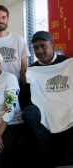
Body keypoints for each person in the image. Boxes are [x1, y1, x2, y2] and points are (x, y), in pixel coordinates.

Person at [20, 31, 73, 167]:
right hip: (44, 108)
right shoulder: (32, 70)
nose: (40, 50)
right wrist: (24, 83)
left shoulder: (68, 63)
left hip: (66, 105)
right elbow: (26, 101)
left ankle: (69, 159)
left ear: (52, 46)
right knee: (29, 112)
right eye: (36, 48)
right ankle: (50, 155)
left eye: (43, 46)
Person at [0, 5, 30, 83]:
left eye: (3, 17)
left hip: (17, 85)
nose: (0, 20)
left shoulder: (19, 40)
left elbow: (24, 67)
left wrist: (24, 85)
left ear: (8, 20)